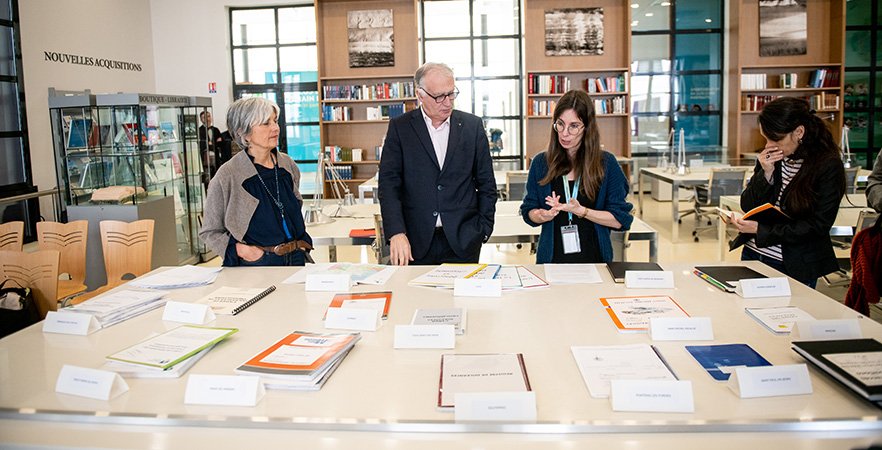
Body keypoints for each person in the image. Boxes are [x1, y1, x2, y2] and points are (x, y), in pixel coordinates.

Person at [378, 62, 497, 266]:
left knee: (461, 298)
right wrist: (396, 232)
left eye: (451, 94)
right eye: (439, 96)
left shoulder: (472, 126)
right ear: (420, 94)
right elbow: (389, 186)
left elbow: (486, 183)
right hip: (414, 241)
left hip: (463, 240)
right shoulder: (400, 128)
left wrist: (483, 229)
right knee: (417, 298)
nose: (448, 102)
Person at [728, 97, 846, 288]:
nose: (768, 145)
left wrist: (761, 230)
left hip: (793, 263)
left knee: (787, 317)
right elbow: (748, 205)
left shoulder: (827, 165)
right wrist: (766, 174)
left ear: (799, 132)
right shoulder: (772, 157)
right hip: (753, 253)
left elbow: (818, 225)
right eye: (765, 138)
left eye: (775, 139)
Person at [519, 90, 633, 263]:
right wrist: (541, 215)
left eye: (573, 126)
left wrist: (583, 212)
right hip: (551, 263)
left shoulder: (606, 163)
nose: (564, 133)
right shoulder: (541, 163)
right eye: (560, 124)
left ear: (587, 127)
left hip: (596, 261)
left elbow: (620, 220)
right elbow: (529, 211)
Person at [199, 97, 313, 266]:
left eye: (274, 120)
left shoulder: (287, 165)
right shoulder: (228, 175)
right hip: (255, 266)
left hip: (296, 259)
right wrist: (244, 251)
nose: (275, 128)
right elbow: (210, 231)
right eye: (265, 123)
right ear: (244, 133)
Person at [198, 111, 223, 183]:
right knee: (207, 178)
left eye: (208, 116)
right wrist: (211, 144)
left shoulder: (216, 130)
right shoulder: (199, 131)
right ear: (201, 119)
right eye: (204, 117)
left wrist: (211, 144)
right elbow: (202, 145)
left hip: (216, 158)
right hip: (205, 159)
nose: (207, 119)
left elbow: (220, 143)